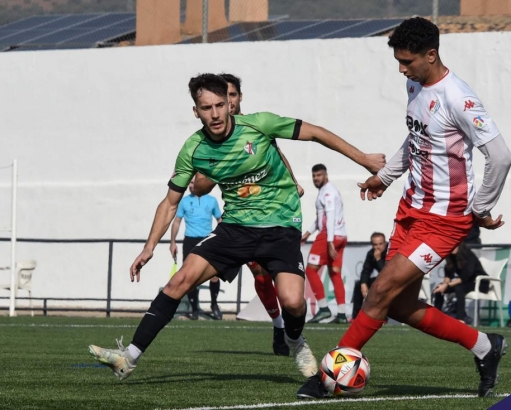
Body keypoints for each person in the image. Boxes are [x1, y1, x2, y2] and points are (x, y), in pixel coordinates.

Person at [88, 73, 385, 383]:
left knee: (294, 302)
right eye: (206, 108)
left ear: (230, 104)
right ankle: (128, 358)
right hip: (235, 228)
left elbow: (316, 133)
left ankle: (295, 342)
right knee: (179, 282)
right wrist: (149, 247)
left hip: (280, 225)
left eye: (220, 105)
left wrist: (363, 159)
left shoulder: (260, 124)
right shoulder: (193, 149)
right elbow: (170, 202)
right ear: (196, 111)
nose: (215, 114)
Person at [297, 17, 511, 399]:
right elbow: (416, 137)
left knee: (379, 291)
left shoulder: (459, 98)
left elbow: (500, 156)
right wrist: (386, 176)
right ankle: (485, 346)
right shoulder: (415, 83)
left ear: (431, 55)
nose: (401, 68)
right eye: (398, 61)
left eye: (407, 61)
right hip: (411, 210)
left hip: (445, 221)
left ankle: (330, 374)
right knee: (397, 305)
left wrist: (480, 208)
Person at [197, 72, 304, 355]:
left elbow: (277, 153)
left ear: (239, 98)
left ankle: (289, 329)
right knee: (259, 274)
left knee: (281, 278)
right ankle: (279, 325)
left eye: (232, 96)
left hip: (276, 214)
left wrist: (294, 183)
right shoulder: (212, 137)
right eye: (223, 97)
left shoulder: (255, 127)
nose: (227, 103)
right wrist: (211, 172)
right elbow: (200, 184)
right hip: (242, 217)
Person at [169, 177, 223, 320]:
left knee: (214, 275)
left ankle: (214, 304)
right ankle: (194, 310)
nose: (190, 185)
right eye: (189, 183)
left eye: (193, 182)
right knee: (189, 276)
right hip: (190, 241)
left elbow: (220, 220)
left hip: (208, 240)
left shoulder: (211, 200)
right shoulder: (185, 201)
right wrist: (172, 242)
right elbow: (177, 221)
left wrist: (222, 238)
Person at [301, 164, 349, 324]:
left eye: (319, 175)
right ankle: (342, 314)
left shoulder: (327, 192)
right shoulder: (328, 190)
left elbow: (330, 216)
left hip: (330, 236)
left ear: (326, 175)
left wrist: (329, 242)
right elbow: (321, 218)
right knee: (335, 273)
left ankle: (323, 308)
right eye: (314, 176)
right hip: (341, 235)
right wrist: (307, 234)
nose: (316, 178)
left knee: (310, 270)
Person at [432, 242, 489, 324]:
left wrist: (447, 285)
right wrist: (443, 285)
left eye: (455, 245)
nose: (453, 247)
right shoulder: (451, 257)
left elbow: (465, 276)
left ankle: (460, 319)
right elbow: (448, 275)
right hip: (466, 282)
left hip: (480, 283)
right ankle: (436, 316)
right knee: (439, 289)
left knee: (459, 288)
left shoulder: (468, 255)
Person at [351, 232, 387, 319]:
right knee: (359, 285)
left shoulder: (391, 252)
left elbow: (386, 273)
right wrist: (363, 284)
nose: (378, 247)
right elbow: (366, 270)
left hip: (393, 282)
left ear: (385, 243)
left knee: (380, 286)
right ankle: (356, 317)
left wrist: (378, 259)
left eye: (380, 244)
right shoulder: (371, 253)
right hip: (381, 281)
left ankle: (383, 317)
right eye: (375, 244)